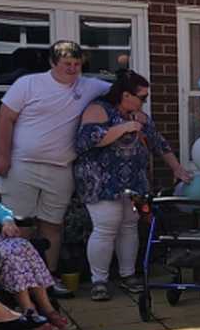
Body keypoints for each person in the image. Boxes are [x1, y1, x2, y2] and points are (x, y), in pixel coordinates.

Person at [0, 41, 113, 298]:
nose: (72, 69)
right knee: (19, 224)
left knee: (52, 226)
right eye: (67, 64)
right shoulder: (29, 84)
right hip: (22, 165)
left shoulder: (88, 86)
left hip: (61, 169)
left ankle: (48, 279)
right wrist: (2, 157)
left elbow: (121, 92)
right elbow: (5, 117)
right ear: (52, 63)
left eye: (77, 64)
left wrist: (136, 110)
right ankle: (13, 281)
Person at [74, 70, 192, 301]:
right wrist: (124, 127)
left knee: (129, 225)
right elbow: (86, 140)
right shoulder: (98, 109)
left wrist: (176, 168)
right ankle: (99, 281)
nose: (144, 102)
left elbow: (159, 143)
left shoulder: (139, 116)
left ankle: (128, 275)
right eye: (142, 97)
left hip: (134, 181)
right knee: (106, 227)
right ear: (126, 95)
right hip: (101, 180)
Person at [0, 194, 67, 330]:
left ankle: (45, 307)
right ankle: (29, 309)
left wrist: (7, 221)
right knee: (10, 252)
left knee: (21, 245)